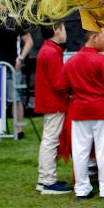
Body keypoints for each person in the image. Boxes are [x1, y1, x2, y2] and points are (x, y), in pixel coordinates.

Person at [64, 28, 104, 200]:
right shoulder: (102, 61)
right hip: (102, 109)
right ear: (94, 38)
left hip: (79, 110)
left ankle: (81, 189)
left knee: (81, 153)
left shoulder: (72, 61)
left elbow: (62, 85)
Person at [34, 21, 72, 194]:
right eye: (63, 29)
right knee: (51, 141)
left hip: (50, 101)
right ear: (57, 31)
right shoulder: (51, 52)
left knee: (49, 140)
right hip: (54, 102)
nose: (65, 32)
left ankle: (44, 180)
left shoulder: (48, 50)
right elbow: (59, 83)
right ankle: (48, 181)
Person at [0, 17, 33, 139]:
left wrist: (20, 58)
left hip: (11, 66)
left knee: (15, 98)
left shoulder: (15, 21)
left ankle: (19, 130)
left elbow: (29, 41)